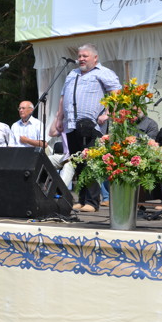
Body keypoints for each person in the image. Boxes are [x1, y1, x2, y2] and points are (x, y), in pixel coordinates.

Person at [55, 43, 122, 212]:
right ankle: (82, 199)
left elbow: (116, 93)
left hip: (92, 125)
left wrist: (108, 113)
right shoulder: (72, 74)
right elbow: (63, 97)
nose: (81, 59)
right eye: (79, 56)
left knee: (91, 163)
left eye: (85, 56)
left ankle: (92, 202)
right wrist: (59, 118)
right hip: (71, 124)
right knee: (78, 163)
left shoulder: (103, 72)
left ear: (95, 57)